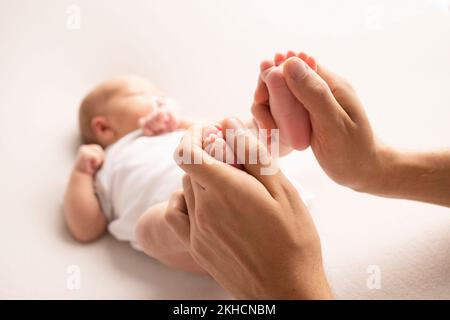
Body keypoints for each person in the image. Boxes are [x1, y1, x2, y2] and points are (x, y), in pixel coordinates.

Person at [166, 55, 450, 299]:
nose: (154, 104)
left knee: (254, 143)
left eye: (153, 97)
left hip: (239, 177)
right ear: (117, 132)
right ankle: (270, 143)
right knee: (156, 226)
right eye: (133, 99)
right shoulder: (121, 156)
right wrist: (377, 166)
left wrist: (287, 286)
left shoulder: (171, 126)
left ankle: (281, 132)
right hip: (179, 200)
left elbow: (207, 128)